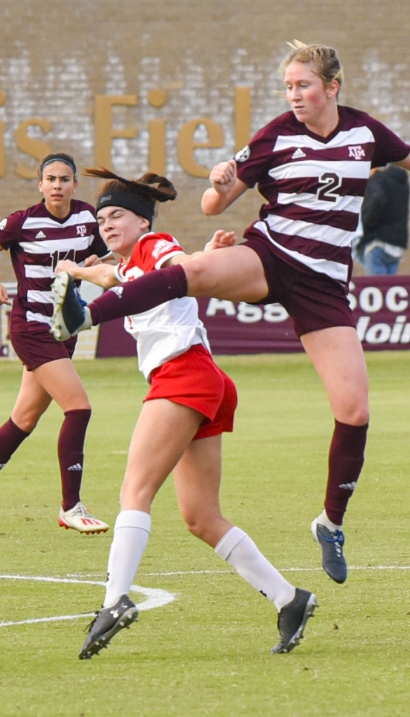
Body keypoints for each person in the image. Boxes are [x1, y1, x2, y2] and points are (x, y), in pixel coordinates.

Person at [51, 41, 410, 584]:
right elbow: (215, 205)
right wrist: (218, 185)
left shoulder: (364, 133)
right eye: (288, 87)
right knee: (195, 271)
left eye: (303, 85)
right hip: (271, 256)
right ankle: (87, 315)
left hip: (324, 285)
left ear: (332, 87)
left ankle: (330, 523)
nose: (294, 95)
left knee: (354, 409)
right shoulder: (276, 135)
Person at [55, 169, 315, 659]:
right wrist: (77, 270)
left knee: (135, 490)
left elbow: (177, 262)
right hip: (205, 379)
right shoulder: (131, 266)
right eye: (101, 218)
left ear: (142, 220)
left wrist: (204, 259)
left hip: (184, 376)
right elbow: (113, 275)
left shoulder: (155, 246)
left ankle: (115, 601)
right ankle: (290, 599)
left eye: (117, 216)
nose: (107, 225)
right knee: (201, 517)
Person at [0, 153, 113, 537]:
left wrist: (90, 263)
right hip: (31, 328)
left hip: (64, 328)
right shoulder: (23, 222)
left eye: (65, 179)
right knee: (79, 408)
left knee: (23, 421)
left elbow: (106, 254)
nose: (57, 185)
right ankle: (71, 506)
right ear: (40, 185)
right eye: (51, 179)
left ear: (75, 185)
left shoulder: (89, 219)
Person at [354, 165, 410, 275]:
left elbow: (376, 199)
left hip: (377, 243)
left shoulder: (378, 179)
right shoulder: (401, 182)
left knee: (376, 288)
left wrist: (366, 223)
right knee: (388, 288)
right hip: (397, 245)